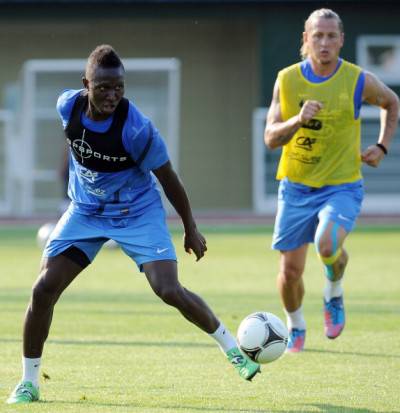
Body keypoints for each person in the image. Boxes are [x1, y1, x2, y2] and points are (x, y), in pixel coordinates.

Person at [7, 45, 260, 404]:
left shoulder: (137, 130)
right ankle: (29, 383)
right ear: (86, 85)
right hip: (86, 212)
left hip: (137, 213)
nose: (112, 95)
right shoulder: (67, 106)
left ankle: (232, 349)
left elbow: (169, 179)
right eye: (104, 87)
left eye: (119, 87)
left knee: (168, 289)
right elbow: (77, 144)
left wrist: (190, 228)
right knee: (43, 289)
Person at [264, 9, 399, 353]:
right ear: (305, 40)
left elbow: (391, 102)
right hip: (295, 188)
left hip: (341, 186)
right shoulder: (287, 79)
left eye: (331, 36)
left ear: (341, 40)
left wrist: (382, 146)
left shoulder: (357, 80)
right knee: (290, 273)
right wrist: (297, 119)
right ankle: (295, 325)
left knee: (326, 245)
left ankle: (333, 292)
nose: (324, 42)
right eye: (317, 36)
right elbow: (270, 138)